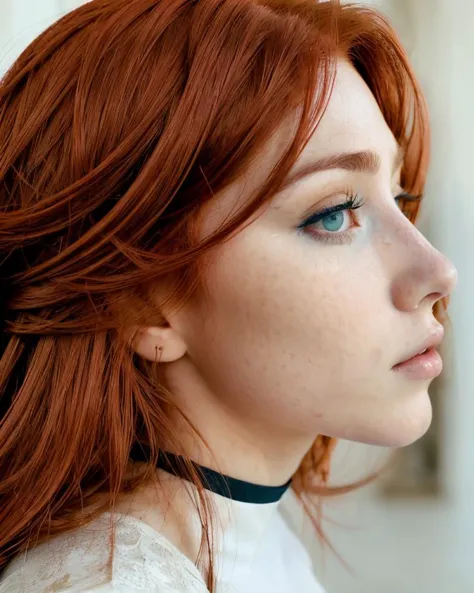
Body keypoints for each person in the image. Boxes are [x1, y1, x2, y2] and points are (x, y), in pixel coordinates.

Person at [0, 0, 457, 591]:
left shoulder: (250, 546)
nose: (438, 270)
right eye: (335, 214)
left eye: (402, 198)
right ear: (140, 304)